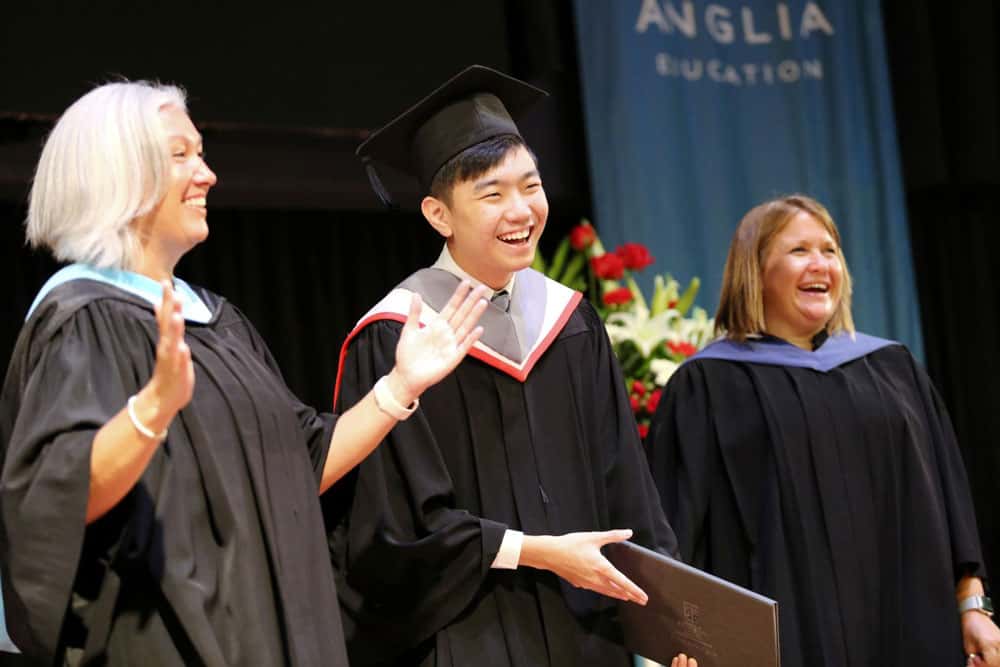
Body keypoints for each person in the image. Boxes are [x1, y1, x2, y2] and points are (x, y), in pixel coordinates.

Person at [0, 80, 489, 666]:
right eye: (181, 155)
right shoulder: (84, 318)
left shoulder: (218, 320)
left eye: (201, 154)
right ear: (117, 173)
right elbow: (59, 494)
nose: (207, 175)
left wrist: (400, 386)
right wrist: (153, 408)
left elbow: (301, 465)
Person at [328, 64, 689, 667]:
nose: (520, 210)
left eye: (531, 186)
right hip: (464, 638)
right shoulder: (399, 336)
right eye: (492, 194)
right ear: (439, 215)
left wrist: (670, 626)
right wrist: (532, 551)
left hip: (586, 636)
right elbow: (391, 527)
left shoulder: (570, 322)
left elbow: (628, 486)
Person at [646, 194, 1000, 666]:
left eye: (829, 250)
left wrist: (973, 607)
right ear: (755, 270)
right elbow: (674, 529)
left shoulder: (892, 369)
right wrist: (682, 639)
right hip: (783, 641)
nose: (821, 264)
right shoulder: (706, 386)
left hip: (909, 625)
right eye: (799, 250)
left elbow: (949, 500)